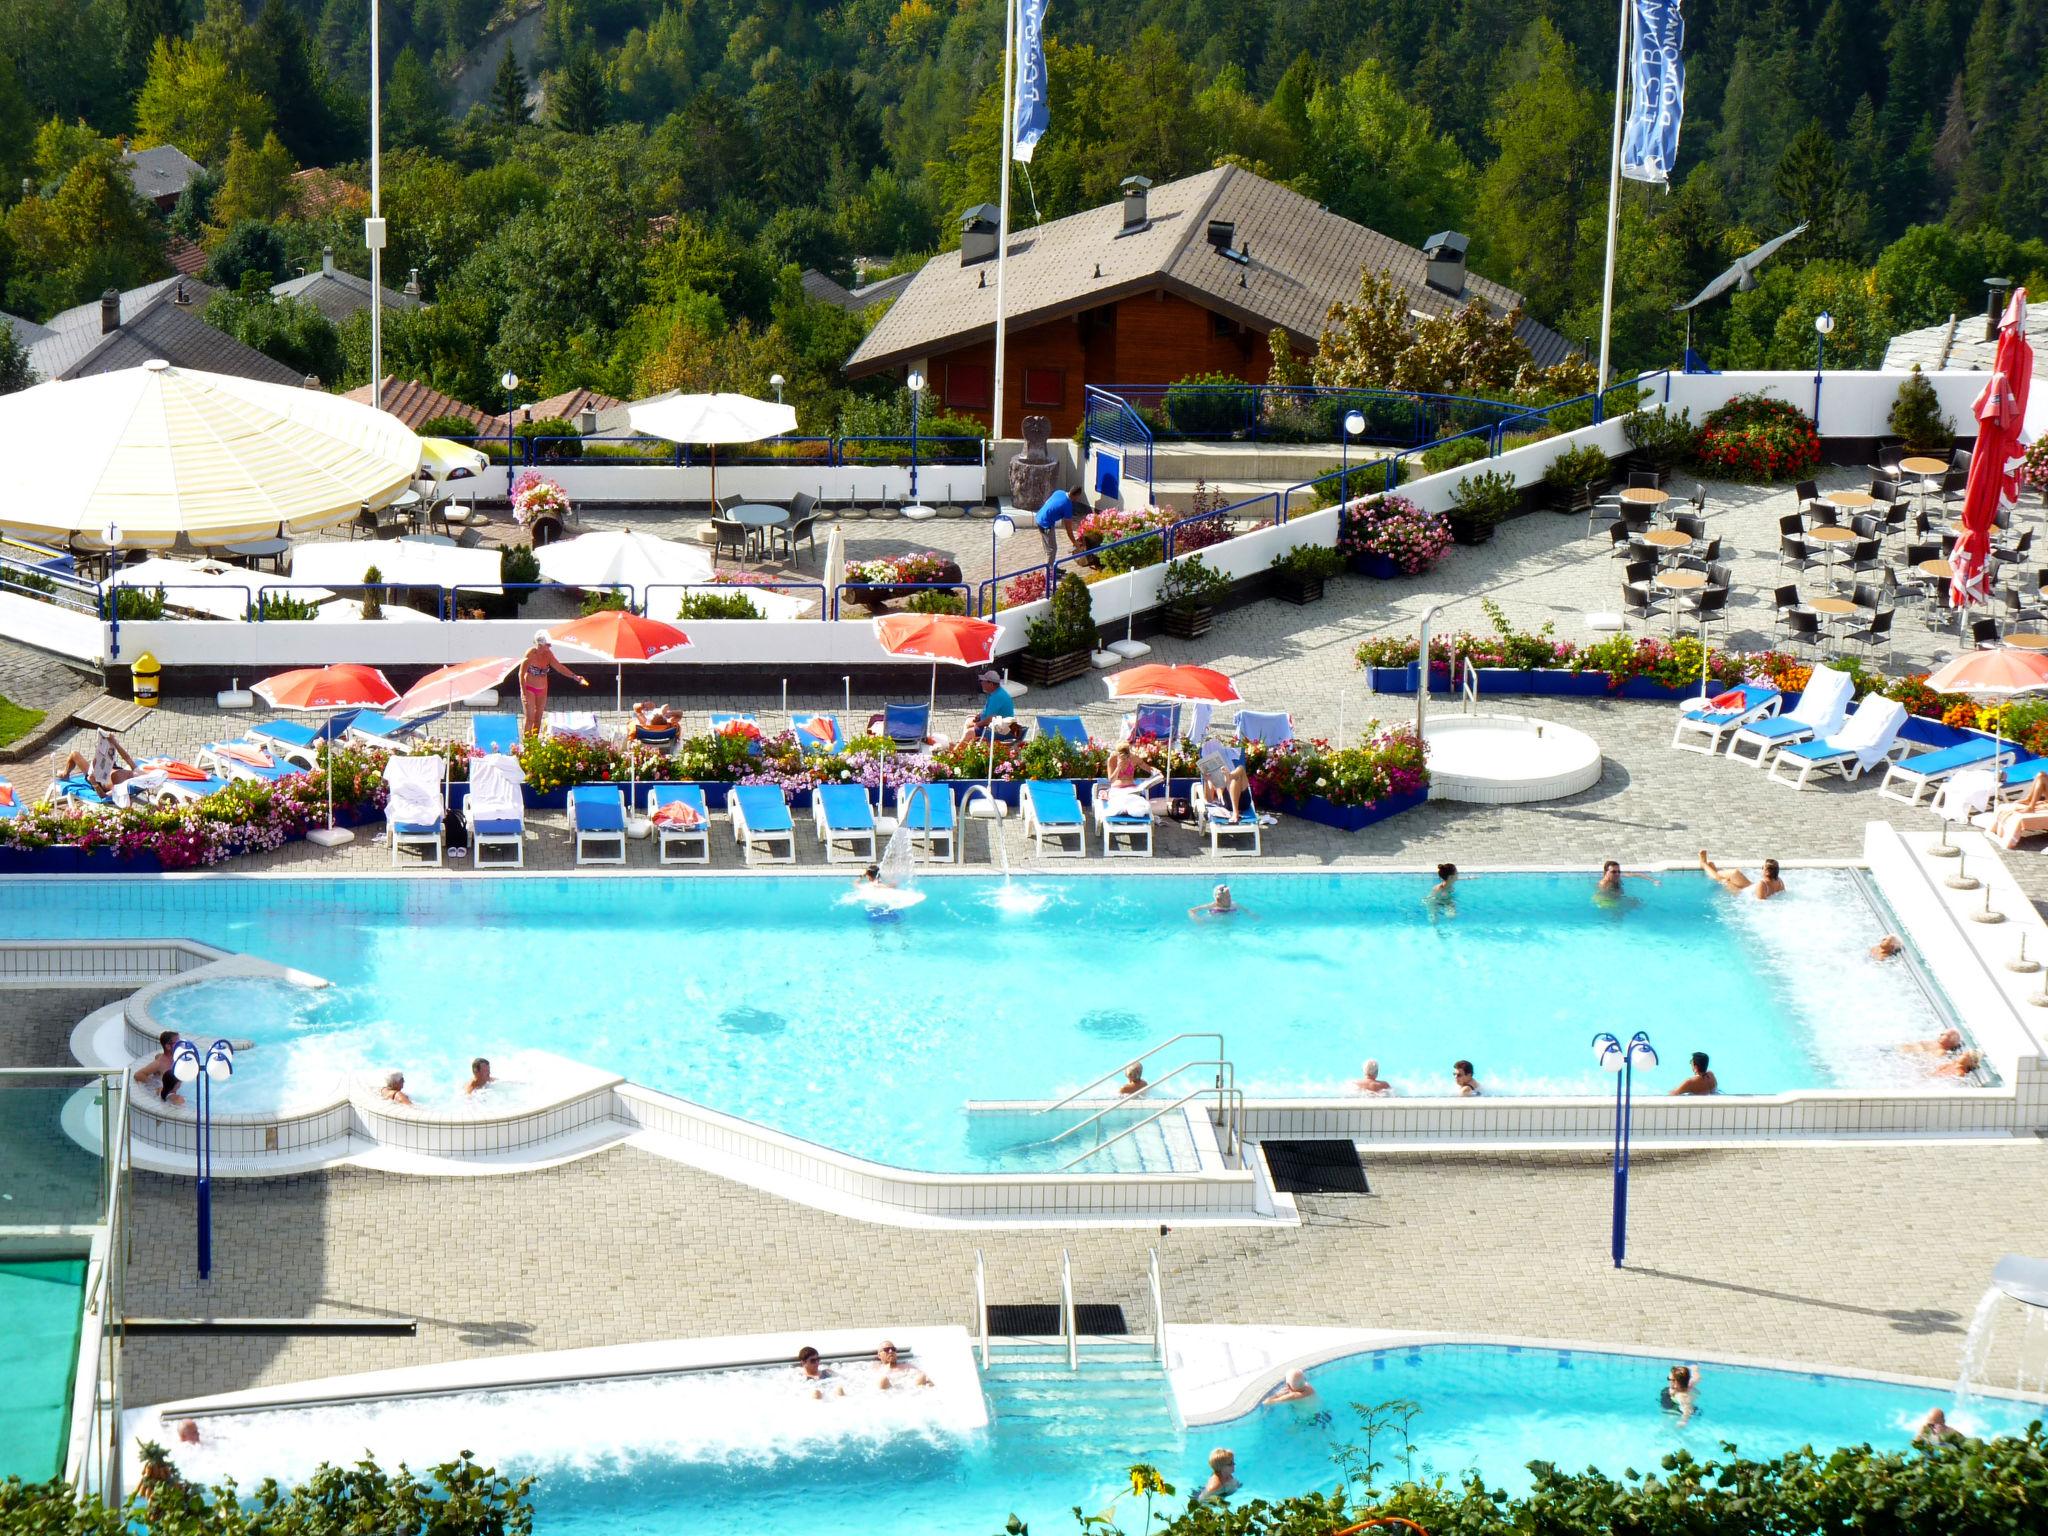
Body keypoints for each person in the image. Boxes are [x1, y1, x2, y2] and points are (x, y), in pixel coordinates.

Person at [518, 632, 588, 736]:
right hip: (529, 688)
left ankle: (534, 744)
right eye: (548, 644)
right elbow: (521, 674)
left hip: (542, 689)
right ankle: (527, 745)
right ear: (540, 644)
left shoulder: (548, 654)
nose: (550, 646)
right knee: (530, 718)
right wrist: (524, 692)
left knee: (538, 718)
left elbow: (559, 667)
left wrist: (575, 677)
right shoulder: (530, 654)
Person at [55, 728, 137, 794]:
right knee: (104, 749)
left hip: (97, 777)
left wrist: (94, 783)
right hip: (109, 766)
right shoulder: (136, 774)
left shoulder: (119, 788)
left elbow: (103, 796)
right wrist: (114, 743)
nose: (129, 772)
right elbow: (127, 757)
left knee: (74, 754)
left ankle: (65, 774)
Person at [1199, 740, 1252, 822]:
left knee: (1240, 769)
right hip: (1228, 802)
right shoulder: (1211, 775)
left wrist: (1228, 777)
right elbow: (1209, 800)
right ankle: (1235, 812)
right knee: (1234, 778)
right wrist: (1207, 780)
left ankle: (1229, 777)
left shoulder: (1230, 768)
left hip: (1244, 800)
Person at [1698, 849, 1783, 900]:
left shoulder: (1762, 884)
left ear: (1766, 872)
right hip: (1749, 887)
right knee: (1735, 872)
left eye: (1762, 867)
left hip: (1741, 893)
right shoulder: (1779, 881)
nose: (1761, 869)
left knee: (1723, 880)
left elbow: (1760, 902)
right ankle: (1712, 869)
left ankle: (1704, 864)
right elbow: (1782, 894)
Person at [964, 670, 1022, 743]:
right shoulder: (996, 692)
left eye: (983, 681)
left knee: (969, 732)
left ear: (991, 684)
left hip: (999, 730)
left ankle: (959, 749)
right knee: (969, 720)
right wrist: (979, 715)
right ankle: (965, 743)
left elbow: (990, 719)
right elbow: (988, 712)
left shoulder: (997, 697)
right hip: (996, 725)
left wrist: (976, 725)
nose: (981, 683)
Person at [1033, 487, 1085, 566]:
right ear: (1076, 495)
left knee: (1048, 548)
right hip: (1046, 525)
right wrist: (1075, 542)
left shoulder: (1059, 492)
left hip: (1039, 517)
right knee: (1052, 549)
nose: (1078, 499)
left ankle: (1051, 566)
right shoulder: (1067, 506)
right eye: (1078, 497)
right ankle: (1049, 572)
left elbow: (1049, 502)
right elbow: (1069, 530)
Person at [134, 1030, 184, 1107]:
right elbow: (138, 1075)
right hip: (167, 1092)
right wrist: (155, 1086)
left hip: (175, 1088)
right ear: (168, 1046)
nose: (180, 1045)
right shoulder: (159, 1063)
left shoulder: (177, 1057)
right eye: (177, 1043)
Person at [1901, 1027, 1966, 1057]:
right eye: (1942, 1033)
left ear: (1950, 1041)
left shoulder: (1941, 1051)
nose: (1941, 1034)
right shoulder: (1936, 1043)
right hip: (1903, 1051)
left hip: (1905, 1056)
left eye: (1945, 1034)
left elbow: (1929, 1060)